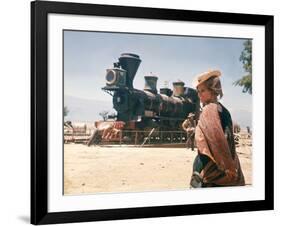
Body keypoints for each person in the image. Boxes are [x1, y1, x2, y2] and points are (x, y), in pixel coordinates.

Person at [190, 69, 245, 188]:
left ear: (213, 90)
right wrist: (230, 164)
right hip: (229, 161)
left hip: (210, 166)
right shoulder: (224, 110)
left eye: (203, 90)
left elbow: (217, 140)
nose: (199, 95)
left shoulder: (209, 110)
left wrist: (226, 166)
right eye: (198, 91)